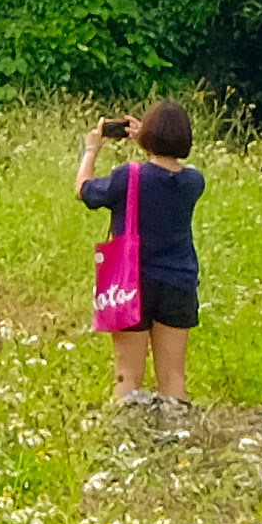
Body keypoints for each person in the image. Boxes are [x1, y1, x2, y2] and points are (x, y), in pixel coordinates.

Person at [79, 102, 206, 399]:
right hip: (179, 284)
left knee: (128, 375)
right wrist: (149, 140)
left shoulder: (128, 176)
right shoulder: (193, 182)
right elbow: (166, 171)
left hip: (132, 282)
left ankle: (127, 435)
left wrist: (91, 150)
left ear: (146, 135)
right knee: (174, 376)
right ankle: (179, 436)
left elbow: (84, 190)